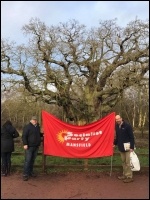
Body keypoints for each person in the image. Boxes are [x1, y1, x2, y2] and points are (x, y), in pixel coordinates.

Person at [114, 114, 135, 183]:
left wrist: (132, 147)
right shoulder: (117, 126)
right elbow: (117, 137)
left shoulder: (127, 126)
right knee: (123, 162)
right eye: (116, 119)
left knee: (127, 162)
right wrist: (114, 143)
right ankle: (124, 175)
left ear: (121, 118)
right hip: (120, 147)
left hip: (127, 147)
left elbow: (131, 137)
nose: (117, 120)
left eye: (118, 119)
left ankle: (129, 177)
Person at [22, 116, 43, 181]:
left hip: (36, 146)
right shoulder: (27, 127)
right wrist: (25, 144)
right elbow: (24, 136)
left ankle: (31, 172)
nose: (35, 121)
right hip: (29, 146)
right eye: (34, 120)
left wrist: (42, 135)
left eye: (36, 120)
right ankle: (25, 174)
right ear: (31, 120)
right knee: (27, 160)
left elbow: (38, 134)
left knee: (32, 160)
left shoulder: (37, 127)